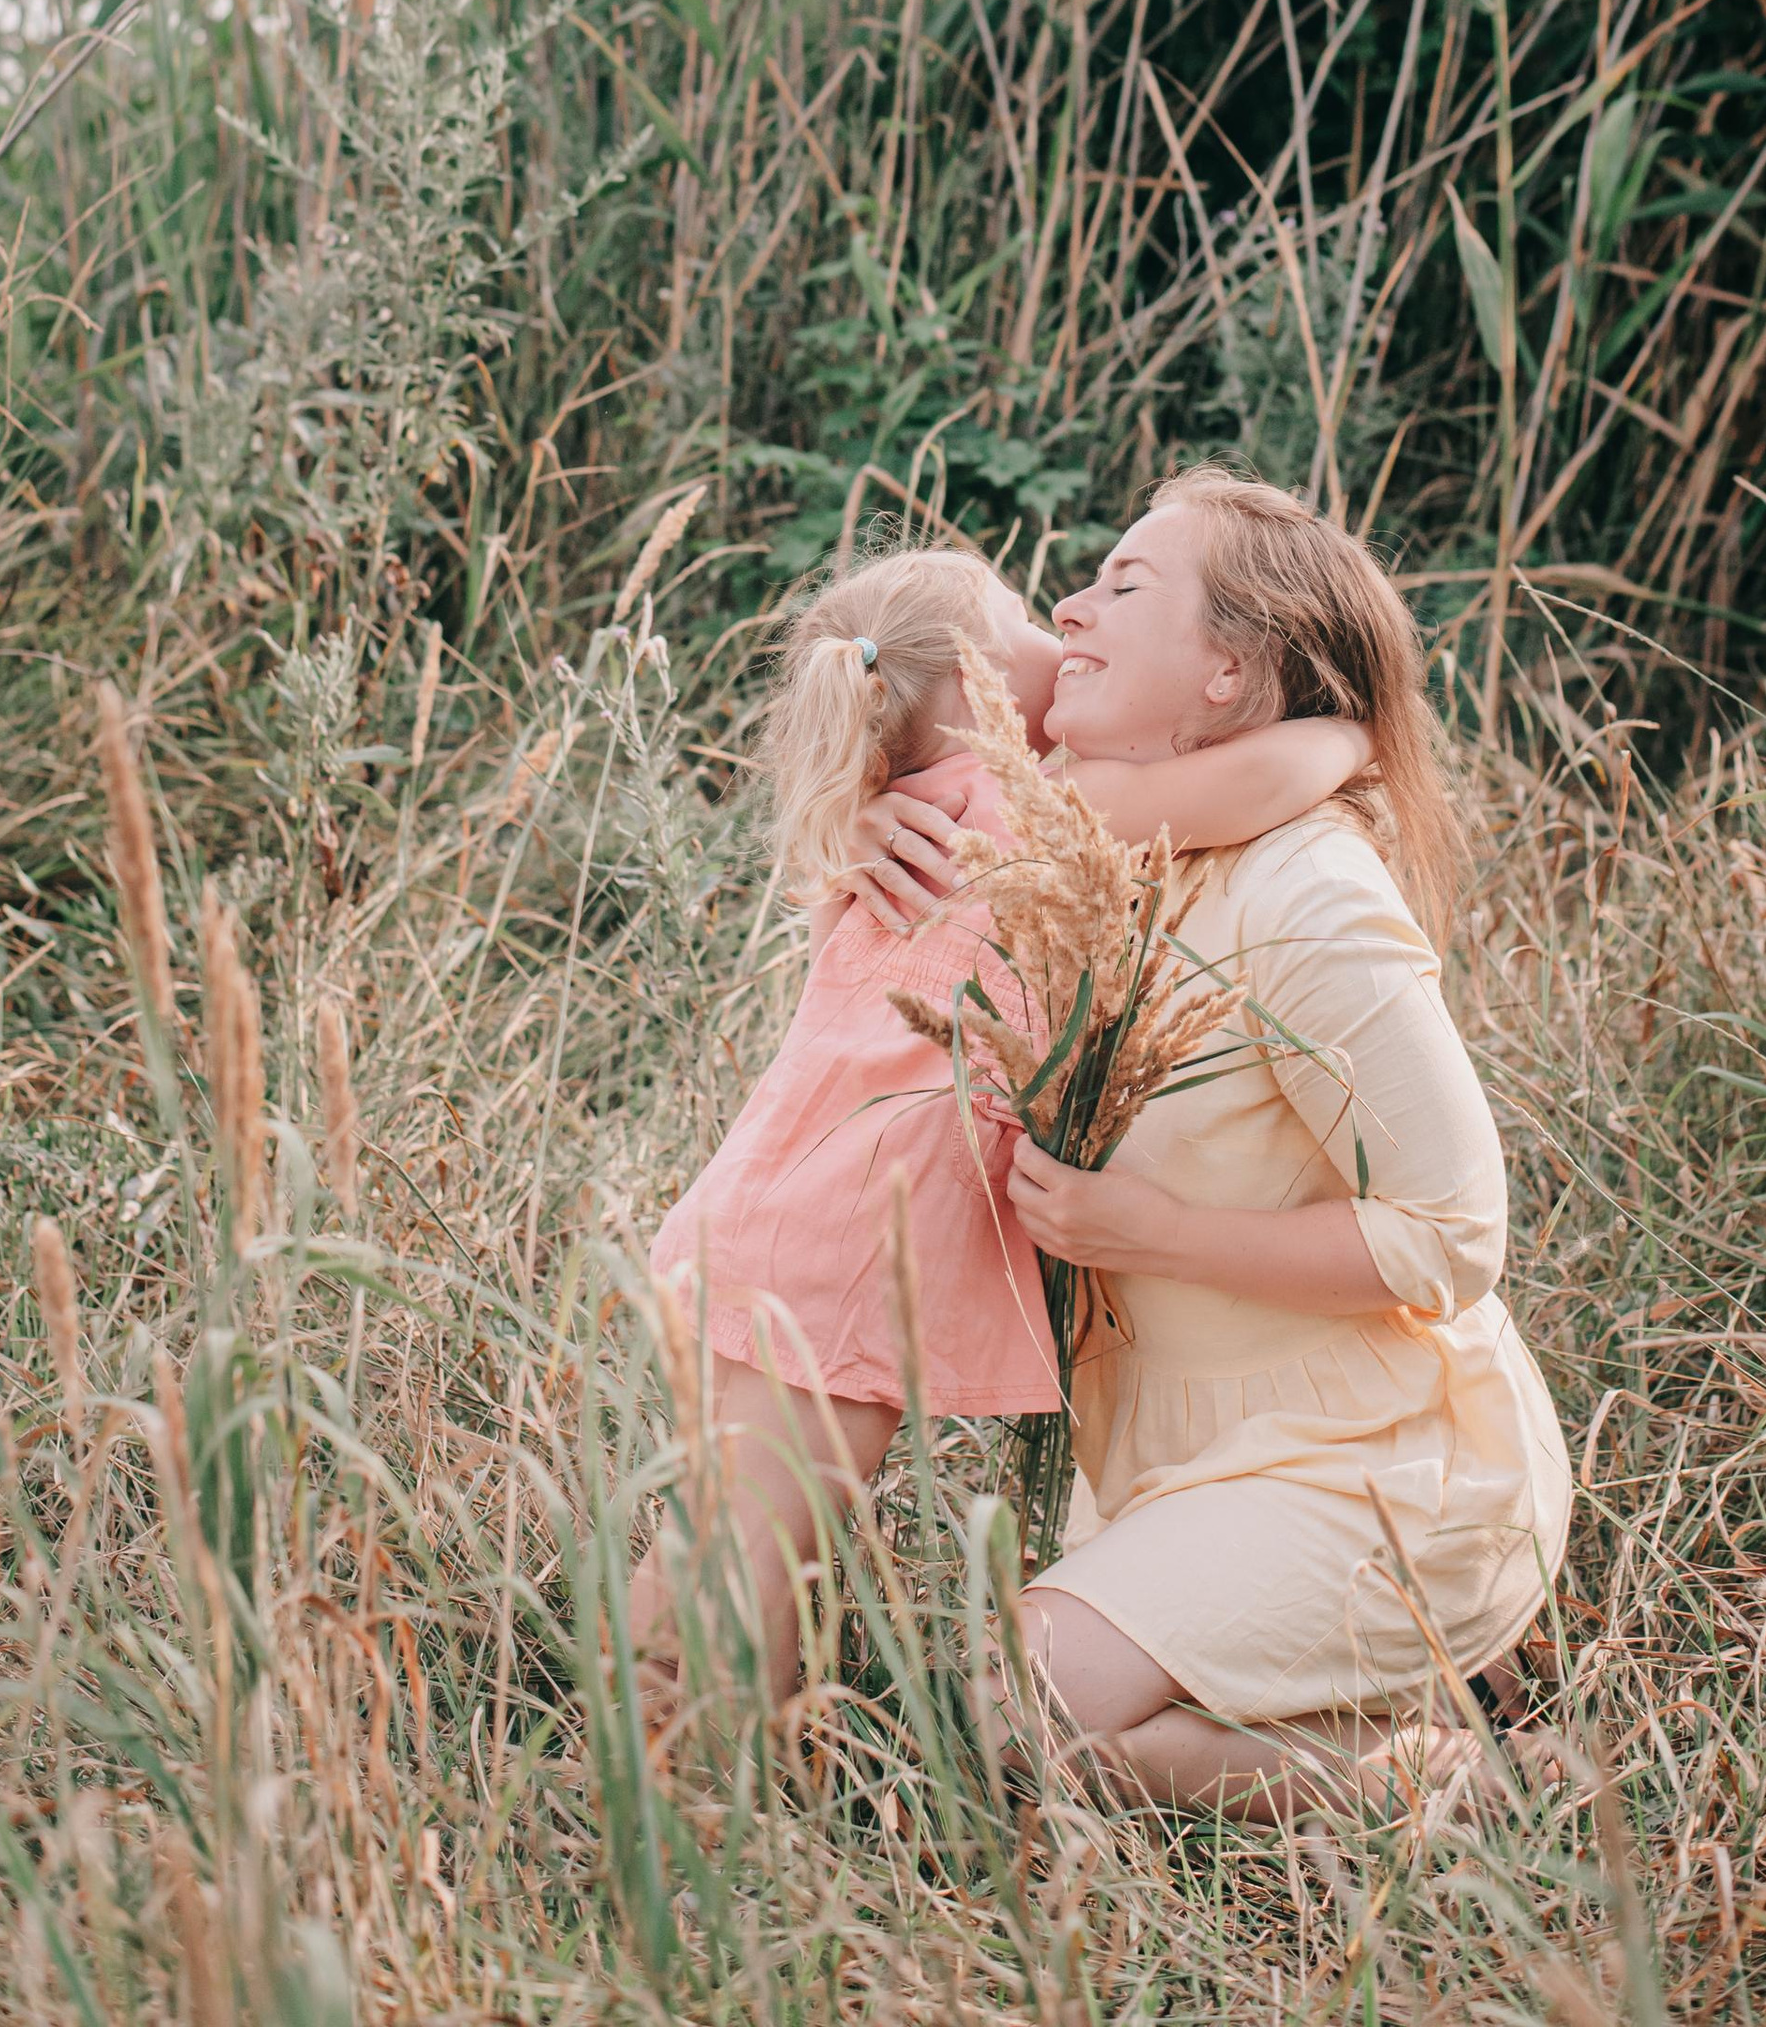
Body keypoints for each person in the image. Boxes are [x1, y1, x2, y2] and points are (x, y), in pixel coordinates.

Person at [845, 470, 1572, 1821]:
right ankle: (1372, 1688)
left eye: (1126, 583)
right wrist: (869, 813)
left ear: (1230, 668)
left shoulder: (1305, 889)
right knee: (996, 1715)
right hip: (1174, 1455)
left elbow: (1456, 1233)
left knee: (1009, 1721)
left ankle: (1449, 1778)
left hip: (1375, 1456)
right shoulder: (1093, 846)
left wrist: (1152, 1234)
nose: (1070, 601)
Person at [633, 541, 1374, 1704]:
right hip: (855, 1226)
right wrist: (1351, 734)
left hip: (790, 1198)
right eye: (1028, 619)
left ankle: (730, 1758)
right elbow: (1257, 785)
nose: (1064, 630)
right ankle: (653, 1763)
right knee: (751, 1547)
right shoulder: (1049, 803)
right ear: (981, 685)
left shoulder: (894, 809)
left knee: (748, 1519)